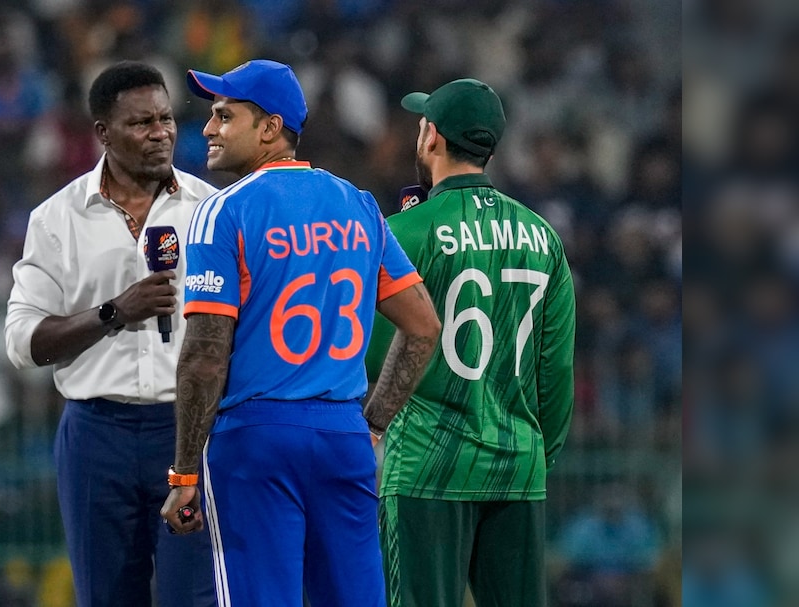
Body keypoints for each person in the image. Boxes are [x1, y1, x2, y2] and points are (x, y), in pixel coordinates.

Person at [160, 59, 442, 607]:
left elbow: (205, 357)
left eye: (225, 116)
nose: (209, 128)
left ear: (270, 128)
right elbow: (424, 327)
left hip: (256, 441)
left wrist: (184, 472)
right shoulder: (358, 205)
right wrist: (372, 425)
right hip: (343, 437)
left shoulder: (223, 212)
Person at [4, 61, 217, 607]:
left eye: (166, 119)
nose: (160, 133)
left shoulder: (211, 210)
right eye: (141, 123)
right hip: (97, 435)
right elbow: (23, 342)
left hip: (189, 430)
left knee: (193, 597)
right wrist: (115, 312)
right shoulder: (56, 219)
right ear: (103, 132)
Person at [364, 78, 576, 607]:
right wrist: (536, 456)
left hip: (427, 468)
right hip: (517, 466)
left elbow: (374, 357)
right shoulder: (543, 237)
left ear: (431, 137)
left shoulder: (402, 232)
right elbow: (555, 371)